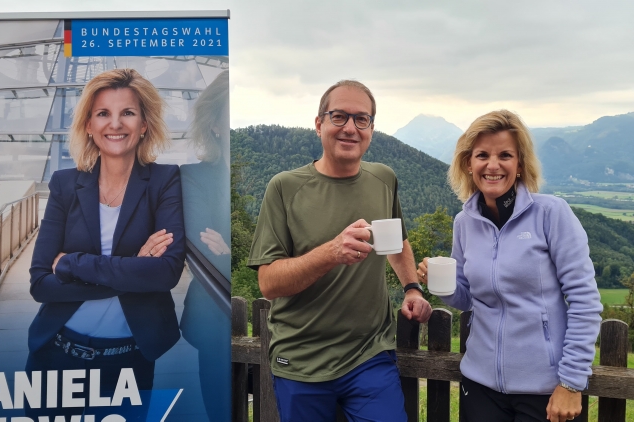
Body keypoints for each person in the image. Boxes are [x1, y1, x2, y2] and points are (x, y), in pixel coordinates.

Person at [247, 80, 432, 422]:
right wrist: (331, 252)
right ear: (319, 124)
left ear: (372, 130)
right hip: (301, 360)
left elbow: (396, 241)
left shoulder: (384, 179)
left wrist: (411, 287)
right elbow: (269, 284)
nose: (350, 128)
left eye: (361, 119)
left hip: (370, 355)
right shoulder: (285, 187)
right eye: (339, 116)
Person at [417, 110, 602, 422]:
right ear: (468, 164)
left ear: (519, 164)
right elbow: (468, 298)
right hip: (480, 385)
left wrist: (571, 382)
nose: (492, 165)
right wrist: (441, 284)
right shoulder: (465, 222)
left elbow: (585, 302)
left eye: (505, 155)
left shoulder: (551, 214)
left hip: (545, 389)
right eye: (482, 155)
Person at [26, 68, 185, 419]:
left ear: (144, 124)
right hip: (54, 358)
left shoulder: (164, 180)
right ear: (88, 125)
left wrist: (72, 264)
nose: (116, 124)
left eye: (127, 112)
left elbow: (166, 273)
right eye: (103, 113)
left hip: (127, 364)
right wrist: (132, 272)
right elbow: (40, 282)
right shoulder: (65, 184)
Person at [179, 69, 232, 422]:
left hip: (288, 330)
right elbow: (202, 254)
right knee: (221, 412)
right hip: (215, 323)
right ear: (214, 124)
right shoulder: (193, 177)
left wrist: (229, 251)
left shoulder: (277, 180)